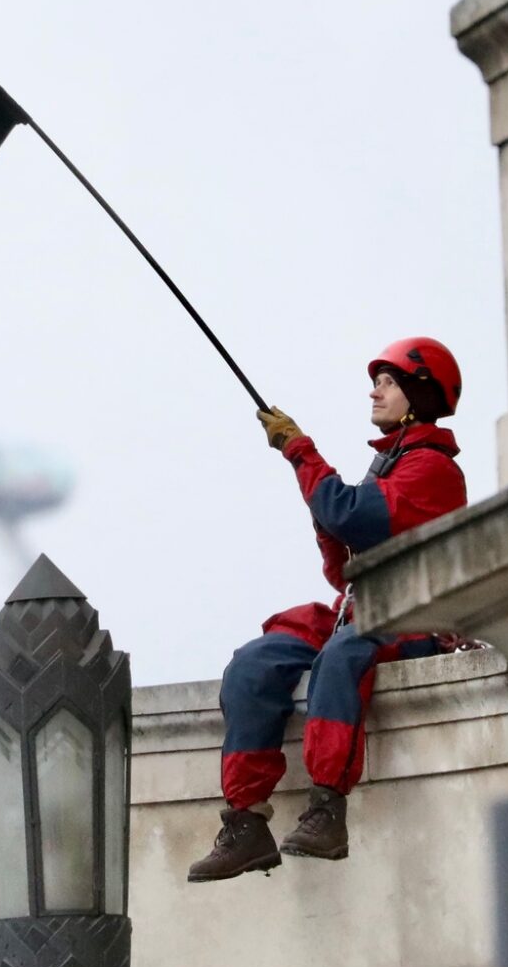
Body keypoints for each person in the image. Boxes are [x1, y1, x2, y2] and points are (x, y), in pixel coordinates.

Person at [187, 337, 469, 882]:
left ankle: (326, 810)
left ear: (417, 394)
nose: (375, 390)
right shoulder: (388, 466)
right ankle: (246, 823)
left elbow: (353, 516)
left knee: (340, 656)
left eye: (387, 382)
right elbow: (343, 568)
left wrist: (301, 452)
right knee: (255, 664)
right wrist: (327, 513)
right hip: (361, 612)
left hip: (411, 619)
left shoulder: (431, 469)